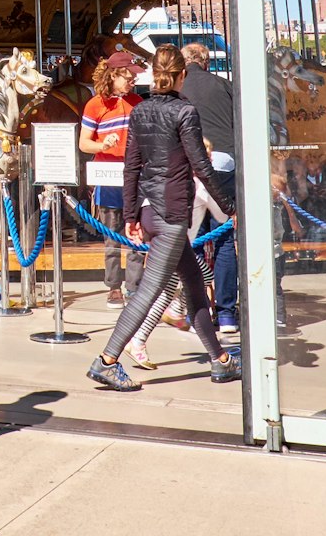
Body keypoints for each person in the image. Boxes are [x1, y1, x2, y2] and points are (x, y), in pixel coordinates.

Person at [87, 44, 240, 392]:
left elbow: (132, 166)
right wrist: (230, 207)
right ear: (182, 75)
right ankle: (107, 360)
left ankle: (221, 360)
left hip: (149, 209)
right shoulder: (184, 110)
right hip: (172, 212)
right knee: (148, 290)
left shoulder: (141, 110)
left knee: (195, 284)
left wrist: (130, 214)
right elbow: (201, 165)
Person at [180, 41, 239, 331]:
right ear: (205, 61)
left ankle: (198, 311)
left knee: (194, 238)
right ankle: (227, 312)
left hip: (194, 165)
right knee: (225, 237)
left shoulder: (180, 88)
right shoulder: (224, 85)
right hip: (225, 163)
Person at [77, 51, 142, 308]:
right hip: (108, 176)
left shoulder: (138, 102)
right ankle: (114, 286)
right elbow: (84, 143)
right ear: (114, 74)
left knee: (136, 233)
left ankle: (135, 287)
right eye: (128, 75)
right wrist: (103, 144)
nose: (133, 81)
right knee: (112, 233)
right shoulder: (95, 105)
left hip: (134, 174)